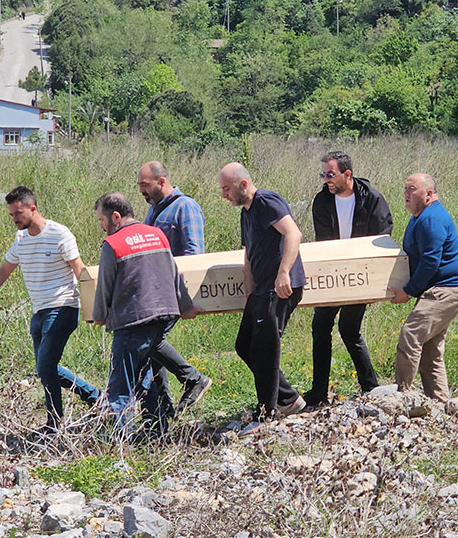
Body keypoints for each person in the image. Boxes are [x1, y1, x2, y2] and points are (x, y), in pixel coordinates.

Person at [0, 187, 100, 435]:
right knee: (45, 367)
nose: (14, 219)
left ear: (33, 208)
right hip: (38, 310)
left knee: (45, 365)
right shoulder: (21, 239)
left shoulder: (59, 234)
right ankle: (96, 399)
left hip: (62, 306)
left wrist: (93, 307)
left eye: (18, 213)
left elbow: (80, 271)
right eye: (11, 215)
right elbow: (5, 270)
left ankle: (55, 423)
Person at [91, 192, 195, 437]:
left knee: (120, 385)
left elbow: (105, 285)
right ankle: (156, 431)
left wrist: (99, 314)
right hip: (165, 315)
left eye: (101, 220)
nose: (101, 226)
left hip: (132, 319)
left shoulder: (112, 244)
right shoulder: (156, 234)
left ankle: (120, 441)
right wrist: (186, 305)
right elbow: (173, 272)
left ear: (115, 216)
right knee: (144, 374)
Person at [218, 162, 307, 424]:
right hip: (261, 288)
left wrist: (284, 273)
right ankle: (288, 399)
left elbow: (293, 234)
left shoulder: (267, 200)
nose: (224, 195)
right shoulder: (246, 212)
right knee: (245, 345)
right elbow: (248, 253)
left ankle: (267, 412)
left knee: (266, 348)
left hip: (280, 286)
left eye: (226, 189)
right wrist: (249, 287)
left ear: (243, 184)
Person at [305, 151, 393, 407]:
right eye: (323, 174)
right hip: (332, 272)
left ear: (347, 174)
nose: (325, 180)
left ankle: (370, 387)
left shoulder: (372, 199)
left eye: (330, 174)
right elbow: (323, 242)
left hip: (360, 273)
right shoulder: (321, 202)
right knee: (320, 327)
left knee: (349, 329)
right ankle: (319, 392)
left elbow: (383, 235)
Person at [387, 173, 458, 403]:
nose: (406, 194)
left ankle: (402, 397)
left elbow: (431, 261)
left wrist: (409, 290)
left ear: (429, 194)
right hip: (441, 289)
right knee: (430, 349)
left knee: (411, 334)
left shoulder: (431, 218)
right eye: (405, 189)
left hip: (446, 290)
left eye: (412, 189)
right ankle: (440, 404)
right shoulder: (421, 216)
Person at [137, 161, 212, 411]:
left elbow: (194, 254)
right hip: (155, 290)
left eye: (145, 185)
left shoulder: (185, 207)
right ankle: (164, 409)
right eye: (139, 186)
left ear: (162, 182)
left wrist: (184, 296)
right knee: (148, 344)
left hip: (173, 289)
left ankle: (194, 379)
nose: (142, 191)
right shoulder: (154, 210)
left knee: (149, 339)